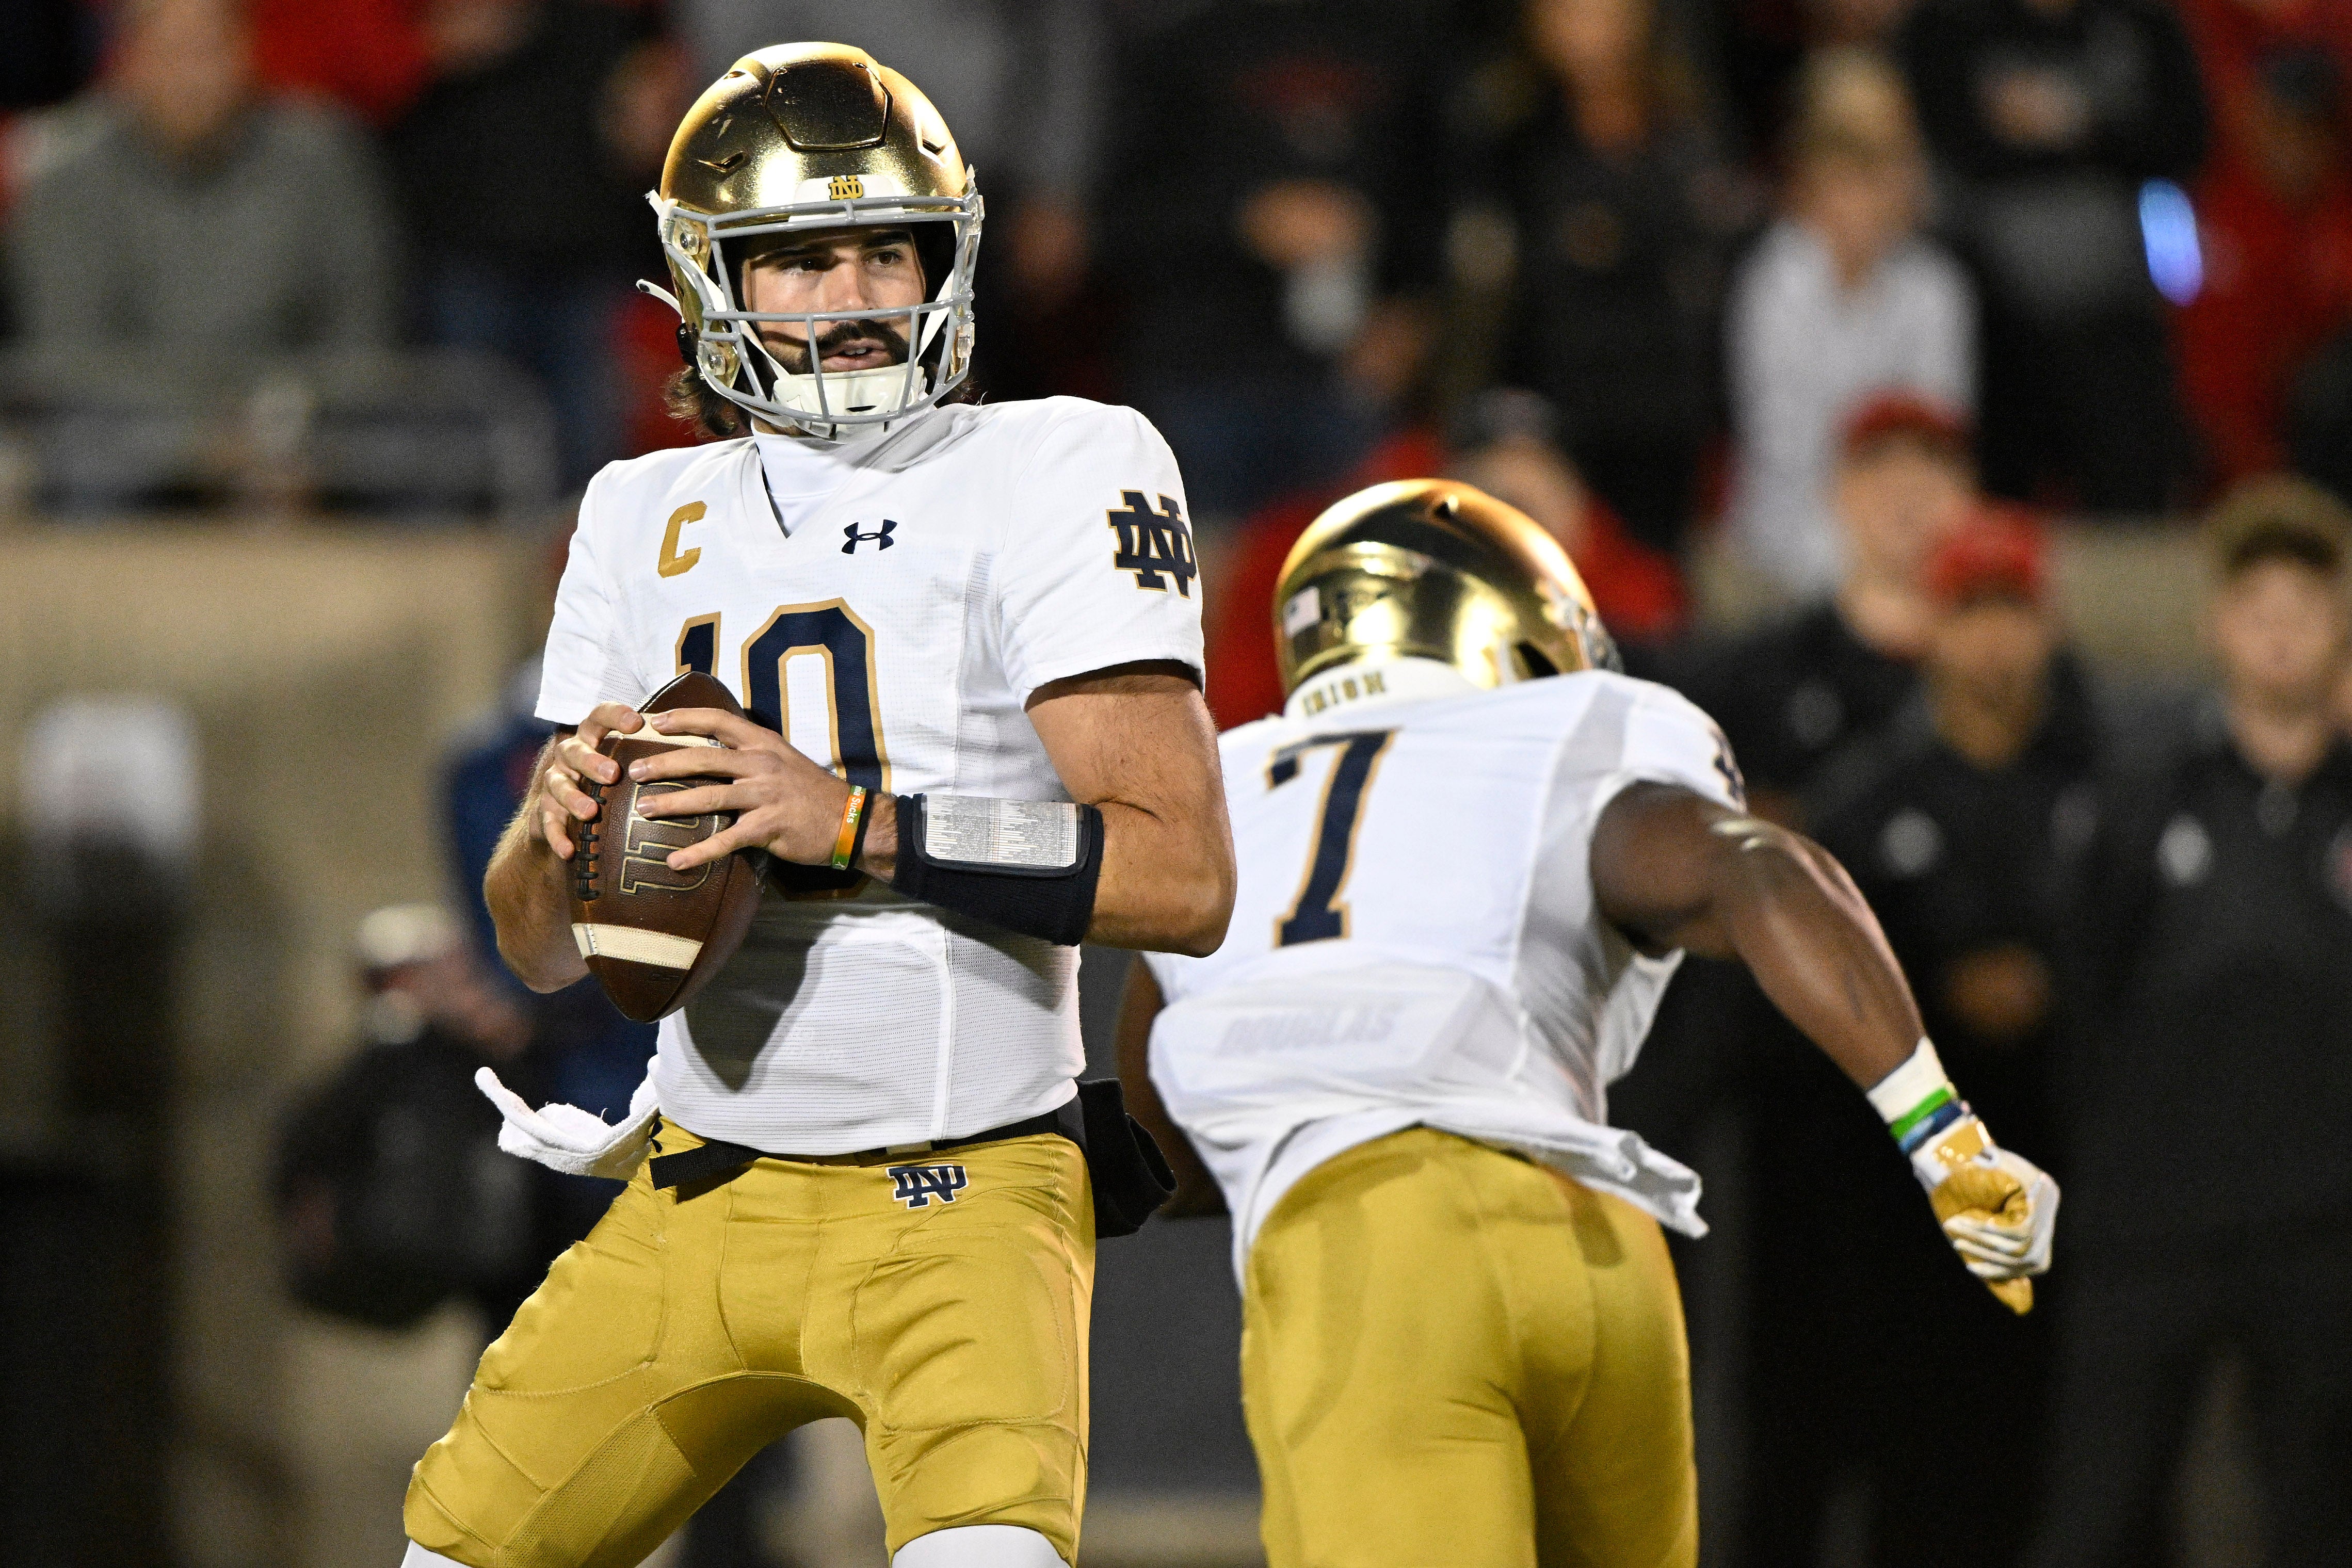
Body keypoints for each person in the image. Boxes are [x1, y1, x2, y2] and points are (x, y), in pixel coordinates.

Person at [396, 44, 1235, 1568]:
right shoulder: (640, 512)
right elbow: (538, 949)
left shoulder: (1055, 463)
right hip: (696, 1190)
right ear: (709, 280)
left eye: (884, 245)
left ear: (946, 254)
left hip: (961, 1187)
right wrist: (554, 822)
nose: (852, 289)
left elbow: (1182, 875)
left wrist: (854, 823)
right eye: (799, 256)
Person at [1115, 478, 2058, 1568]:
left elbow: (1158, 1160)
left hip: (1365, 1252)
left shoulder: (1219, 791)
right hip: (1603, 1252)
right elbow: (1763, 869)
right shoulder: (1568, 726)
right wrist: (1941, 1134)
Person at [1739, 507, 2089, 1563]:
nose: (1991, 639)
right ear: (1931, 627)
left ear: (2047, 625)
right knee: (1867, 1462)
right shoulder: (1858, 803)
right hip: (1880, 1207)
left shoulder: (2102, 792)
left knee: (2022, 1464)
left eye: (2011, 611)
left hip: (2052, 1177)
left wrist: (2045, 989)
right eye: (1969, 611)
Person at [2032, 476, 2352, 1567]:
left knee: (2316, 1512)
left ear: (2336, 628)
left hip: (2322, 1223)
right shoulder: (2143, 795)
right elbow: (2082, 986)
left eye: (2300, 607)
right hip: (2150, 1218)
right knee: (2099, 1508)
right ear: (2216, 623)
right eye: (2254, 605)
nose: (2276, 631)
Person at [1898, 0, 2206, 511]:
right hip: (1989, 314)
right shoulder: (1949, 23)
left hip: (2115, 303)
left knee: (2130, 468)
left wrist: (2075, 122)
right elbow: (1953, 144)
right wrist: (2083, 144)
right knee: (1992, 487)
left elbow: (2184, 139)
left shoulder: (2143, 21)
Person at [3, 0, 396, 354]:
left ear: (248, 53)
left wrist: (272, 425)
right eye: (171, 52)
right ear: (127, 62)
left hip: (295, 426)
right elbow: (69, 360)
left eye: (207, 51)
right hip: (113, 430)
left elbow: (360, 345)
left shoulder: (324, 162)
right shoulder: (66, 178)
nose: (191, 78)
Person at [1726, 46, 1974, 596]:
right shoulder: (1773, 284)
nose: (1863, 198)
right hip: (1788, 537)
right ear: (1808, 179)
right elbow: (1785, 452)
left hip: (1911, 527)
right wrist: (1857, 551)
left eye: (1880, 173)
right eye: (1845, 175)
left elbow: (1937, 441)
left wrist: (1904, 531)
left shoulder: (1936, 288)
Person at [1682, 389, 1973, 825]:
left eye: (1932, 465)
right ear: (1835, 492)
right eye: (1878, 466)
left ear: (1967, 495)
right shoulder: (1767, 666)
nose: (1906, 487)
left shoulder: (2005, 666)